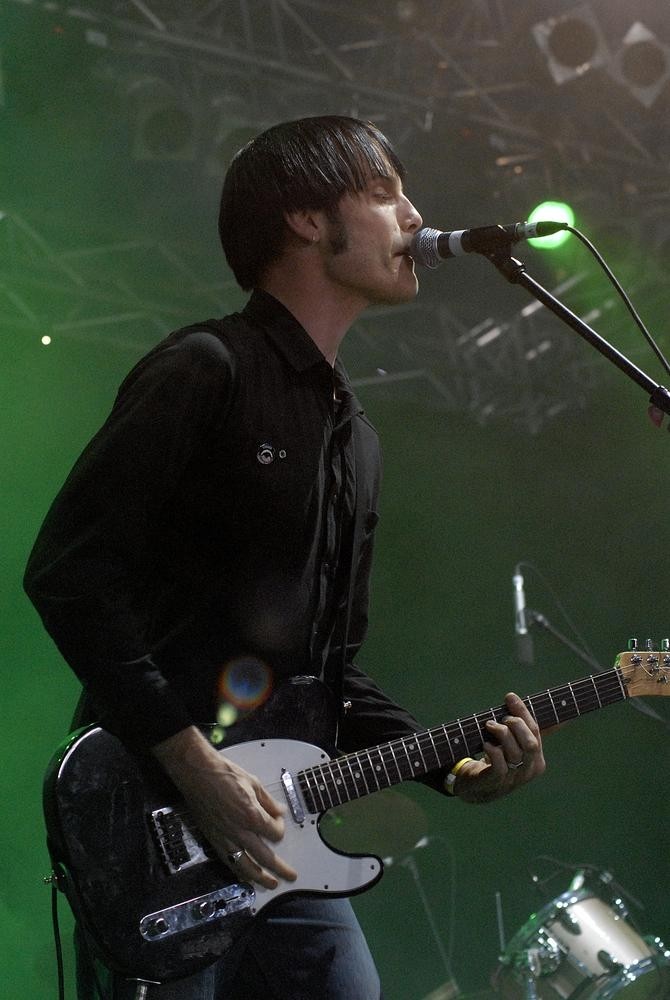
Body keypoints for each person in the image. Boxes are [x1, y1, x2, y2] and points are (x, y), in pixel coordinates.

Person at [25, 116, 545, 1000]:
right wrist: (195, 765)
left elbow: (329, 674)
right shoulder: (206, 368)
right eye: (384, 193)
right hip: (155, 820)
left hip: (278, 835)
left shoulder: (357, 442)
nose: (416, 215)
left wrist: (451, 767)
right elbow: (69, 572)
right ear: (306, 218)